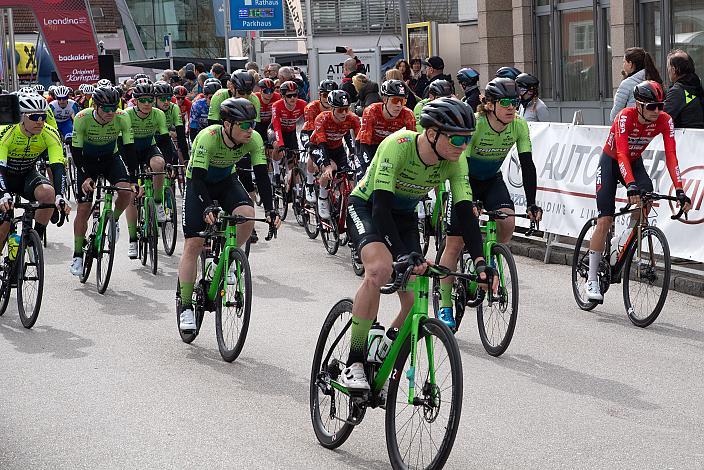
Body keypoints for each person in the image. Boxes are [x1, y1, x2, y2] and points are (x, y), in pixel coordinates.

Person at [341, 97, 491, 390]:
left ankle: (384, 346)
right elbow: (380, 210)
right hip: (367, 207)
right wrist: (403, 254)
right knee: (380, 270)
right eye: (457, 138)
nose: (463, 146)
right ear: (433, 133)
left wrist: (482, 263)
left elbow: (465, 213)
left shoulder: (454, 161)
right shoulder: (398, 145)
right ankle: (354, 361)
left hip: (404, 216)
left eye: (467, 139)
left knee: (413, 301)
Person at [436, 78, 542, 328]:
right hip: (465, 179)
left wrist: (531, 202)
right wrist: (469, 200)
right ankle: (445, 306)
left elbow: (527, 165)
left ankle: (490, 259)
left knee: (508, 221)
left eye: (515, 102)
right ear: (490, 104)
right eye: (505, 102)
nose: (511, 108)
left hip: (492, 180)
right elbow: (460, 165)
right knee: (455, 243)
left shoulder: (518, 125)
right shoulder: (475, 124)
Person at [177, 98, 280, 331]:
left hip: (225, 181)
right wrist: (206, 207)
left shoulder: (253, 139)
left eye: (251, 124)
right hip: (199, 183)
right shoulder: (208, 137)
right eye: (243, 125)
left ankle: (225, 258)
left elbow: (262, 176)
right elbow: (198, 179)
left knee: (247, 214)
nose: (250, 129)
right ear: (227, 124)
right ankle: (185, 306)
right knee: (194, 243)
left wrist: (272, 209)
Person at [586, 81, 691, 301]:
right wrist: (630, 184)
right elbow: (622, 153)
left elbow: (671, 156)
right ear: (639, 105)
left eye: (660, 105)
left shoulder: (665, 120)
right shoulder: (625, 116)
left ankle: (627, 237)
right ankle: (592, 278)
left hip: (634, 163)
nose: (658, 111)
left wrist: (680, 190)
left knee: (648, 197)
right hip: (612, 162)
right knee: (605, 220)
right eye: (652, 106)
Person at [69, 86, 135, 275]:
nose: (110, 112)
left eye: (114, 108)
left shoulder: (122, 117)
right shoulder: (82, 118)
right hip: (86, 162)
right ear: (95, 106)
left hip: (110, 159)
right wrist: (85, 175)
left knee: (125, 192)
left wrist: (133, 179)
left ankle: (113, 220)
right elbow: (76, 152)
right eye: (106, 109)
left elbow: (129, 149)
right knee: (83, 208)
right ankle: (77, 256)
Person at [0, 92, 70, 249]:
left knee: (49, 194)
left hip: (26, 175)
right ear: (22, 116)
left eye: (43, 117)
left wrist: (60, 196)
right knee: (4, 224)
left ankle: (34, 240)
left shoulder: (50, 133)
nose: (40, 122)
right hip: (4, 175)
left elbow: (57, 166)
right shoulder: (6, 132)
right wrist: (3, 194)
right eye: (34, 117)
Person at [124, 81, 175, 257]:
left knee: (159, 164)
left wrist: (169, 162)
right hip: (128, 149)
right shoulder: (127, 115)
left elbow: (165, 140)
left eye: (150, 100)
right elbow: (127, 145)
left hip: (148, 147)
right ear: (136, 101)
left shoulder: (158, 114)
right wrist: (132, 176)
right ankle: (132, 239)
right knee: (131, 194)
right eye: (143, 100)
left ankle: (158, 203)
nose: (147, 104)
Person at [308, 89, 360, 220]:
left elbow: (359, 140)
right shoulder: (322, 119)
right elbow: (322, 143)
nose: (344, 113)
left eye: (346, 109)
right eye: (340, 110)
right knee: (330, 168)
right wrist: (327, 165)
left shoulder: (352, 118)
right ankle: (322, 197)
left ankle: (345, 205)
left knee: (348, 177)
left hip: (337, 148)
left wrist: (355, 156)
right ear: (331, 108)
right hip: (318, 147)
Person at [356, 80, 416, 180]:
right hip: (367, 145)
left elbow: (413, 144)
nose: (399, 105)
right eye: (395, 100)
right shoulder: (371, 111)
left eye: (403, 101)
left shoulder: (408, 114)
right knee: (366, 176)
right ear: (384, 99)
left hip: (387, 146)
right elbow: (365, 142)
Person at [610, 47, 662, 122]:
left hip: (632, 128)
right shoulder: (655, 79)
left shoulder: (627, 84)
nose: (623, 65)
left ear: (630, 64)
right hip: (653, 128)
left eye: (624, 62)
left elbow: (615, 115)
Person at [664, 50, 704, 129]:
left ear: (674, 69)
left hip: (685, 138)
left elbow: (664, 119)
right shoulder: (697, 85)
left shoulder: (677, 91)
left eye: (668, 67)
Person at [154, 82, 190, 166]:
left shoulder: (174, 108)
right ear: (155, 99)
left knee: (174, 157)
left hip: (165, 137)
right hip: (150, 137)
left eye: (169, 98)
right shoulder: (151, 108)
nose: (166, 102)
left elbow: (181, 134)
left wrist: (186, 158)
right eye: (162, 99)